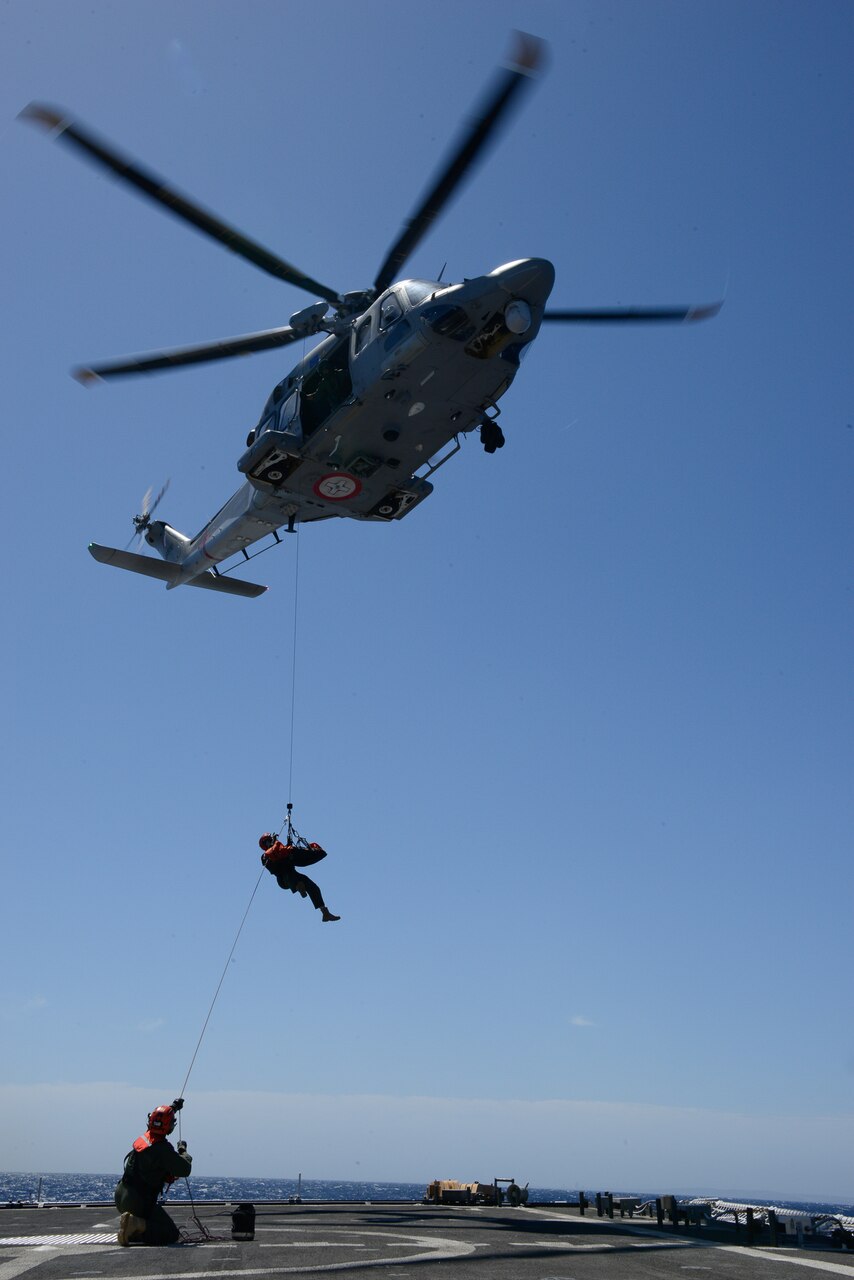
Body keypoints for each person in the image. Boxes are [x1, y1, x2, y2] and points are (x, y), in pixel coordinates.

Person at [114, 1098, 191, 1246]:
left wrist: (173, 1107)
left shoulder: (146, 1138)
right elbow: (185, 1169)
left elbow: (160, 1119)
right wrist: (183, 1151)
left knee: (152, 1226)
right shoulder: (162, 1149)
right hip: (137, 1201)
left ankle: (131, 1227)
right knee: (170, 1233)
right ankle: (136, 1223)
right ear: (169, 1127)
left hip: (121, 1195)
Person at [259, 833, 340, 921]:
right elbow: (272, 854)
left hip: (294, 875)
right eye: (268, 841)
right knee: (290, 875)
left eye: (270, 840)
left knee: (313, 886)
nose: (271, 841)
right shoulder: (265, 857)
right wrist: (275, 843)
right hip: (284, 880)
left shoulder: (280, 849)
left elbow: (284, 851)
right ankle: (298, 886)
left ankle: (325, 913)